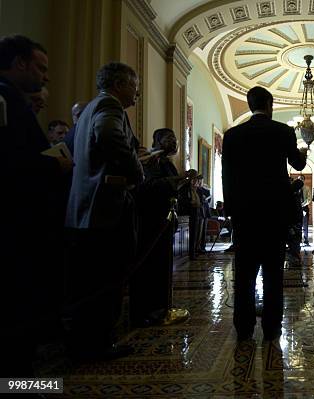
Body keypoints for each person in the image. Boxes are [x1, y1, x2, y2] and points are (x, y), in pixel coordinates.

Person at [0, 34, 70, 377]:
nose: (46, 76)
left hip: (24, 220)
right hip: (17, 223)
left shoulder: (13, 98)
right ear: (19, 63)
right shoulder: (5, 98)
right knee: (17, 312)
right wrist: (52, 165)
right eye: (40, 67)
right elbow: (10, 160)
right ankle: (17, 384)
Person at [64, 61, 144, 360]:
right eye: (134, 87)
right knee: (105, 280)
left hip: (85, 210)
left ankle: (84, 341)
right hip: (104, 210)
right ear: (120, 84)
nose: (136, 94)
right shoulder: (110, 109)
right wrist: (137, 173)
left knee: (88, 282)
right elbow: (112, 139)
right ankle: (96, 344)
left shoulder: (89, 109)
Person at [222, 86, 306, 341]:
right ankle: (272, 327)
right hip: (274, 214)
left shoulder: (233, 135)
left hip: (245, 215)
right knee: (272, 274)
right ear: (270, 104)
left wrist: (231, 211)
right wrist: (301, 153)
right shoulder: (283, 131)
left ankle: (244, 327)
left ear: (249, 105)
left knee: (244, 275)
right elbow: (298, 164)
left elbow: (227, 176)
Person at [131, 128, 189, 326]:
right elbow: (148, 187)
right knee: (151, 266)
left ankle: (161, 308)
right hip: (152, 220)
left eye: (175, 138)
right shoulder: (151, 160)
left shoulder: (166, 162)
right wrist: (177, 180)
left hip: (165, 220)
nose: (173, 142)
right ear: (157, 140)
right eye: (169, 138)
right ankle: (148, 311)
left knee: (163, 265)